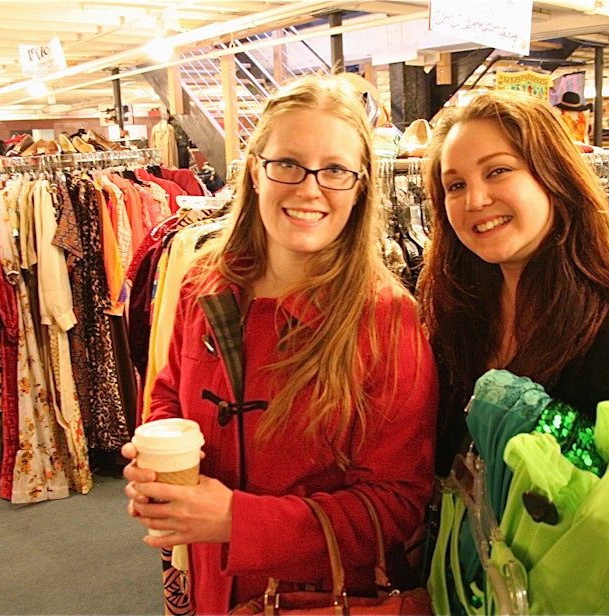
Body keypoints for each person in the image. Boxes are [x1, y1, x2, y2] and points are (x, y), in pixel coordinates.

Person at [122, 73, 438, 614]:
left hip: (317, 597)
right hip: (207, 580)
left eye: (335, 169)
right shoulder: (204, 282)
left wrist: (236, 520)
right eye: (287, 163)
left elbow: (398, 504)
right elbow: (168, 393)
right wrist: (158, 463)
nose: (309, 188)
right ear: (255, 171)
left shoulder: (386, 319)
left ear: (360, 186)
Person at [418, 89, 609, 614]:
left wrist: (539, 427)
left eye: (498, 171)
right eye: (455, 184)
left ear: (553, 177)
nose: (475, 200)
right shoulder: (454, 318)